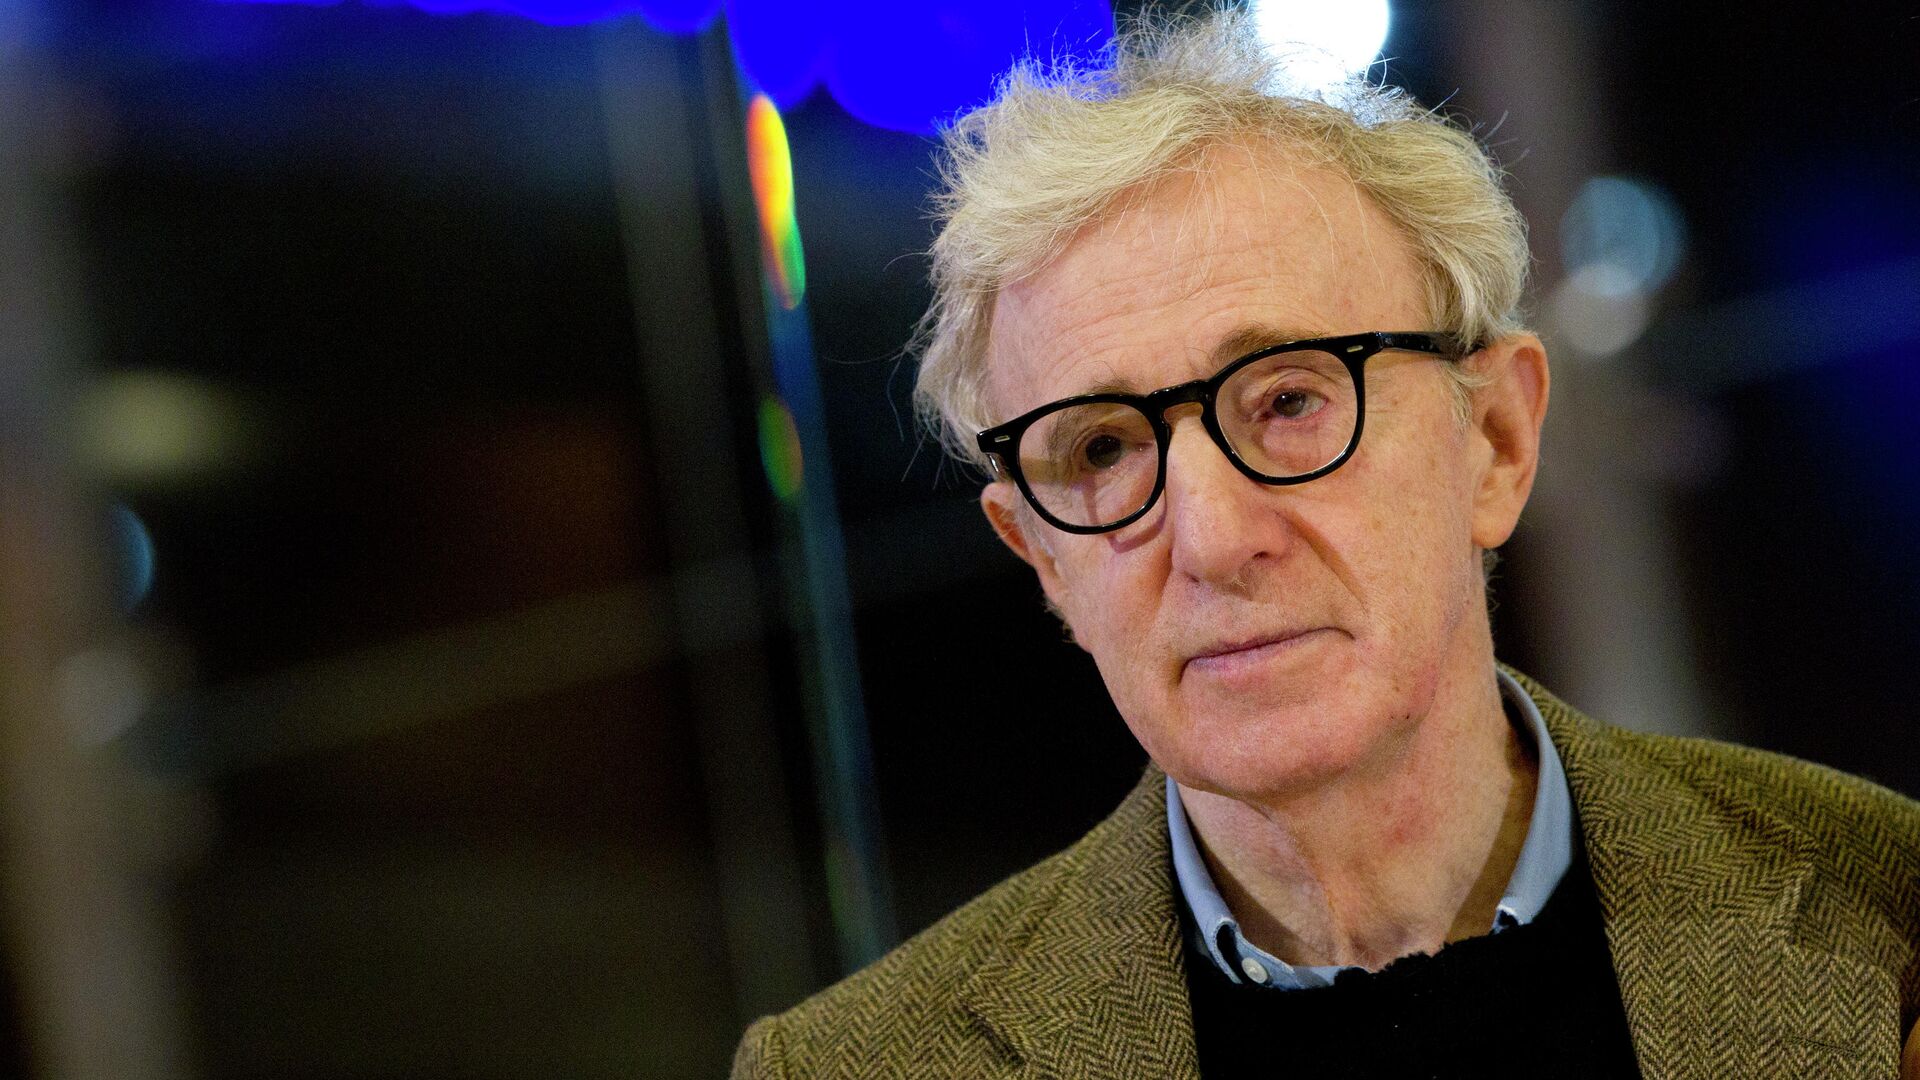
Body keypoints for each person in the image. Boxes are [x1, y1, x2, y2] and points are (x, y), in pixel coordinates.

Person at [732, 10, 1920, 1078]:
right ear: (1041, 555)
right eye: (1101, 449)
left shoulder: (1892, 916)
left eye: (1290, 400)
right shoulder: (855, 1068)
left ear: (1496, 441)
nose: (1212, 538)